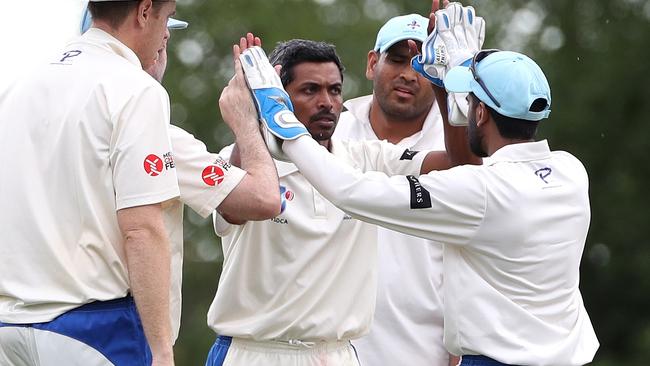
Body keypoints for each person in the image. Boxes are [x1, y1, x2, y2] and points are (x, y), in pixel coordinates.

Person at [249, 41, 600, 365]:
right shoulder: (571, 170)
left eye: (472, 102)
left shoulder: (479, 190)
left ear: (479, 115)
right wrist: (457, 84)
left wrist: (287, 130)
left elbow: (351, 192)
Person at [0, 1, 278, 365]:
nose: (165, 36)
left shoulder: (20, 85)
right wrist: (162, 351)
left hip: (11, 324)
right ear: (144, 11)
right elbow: (142, 229)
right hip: (94, 329)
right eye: (166, 18)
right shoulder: (134, 89)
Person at [205, 39, 472, 366]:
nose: (326, 103)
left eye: (334, 90)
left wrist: (447, 86)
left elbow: (462, 164)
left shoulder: (365, 157)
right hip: (253, 353)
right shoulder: (236, 160)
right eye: (309, 91)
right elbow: (233, 210)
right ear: (276, 94)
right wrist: (249, 116)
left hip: (336, 354)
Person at [333, 11, 472, 365]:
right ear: (371, 63)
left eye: (423, 65)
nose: (410, 74)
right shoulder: (330, 132)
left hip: (422, 352)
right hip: (327, 349)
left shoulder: (462, 145)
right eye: (397, 60)